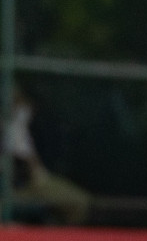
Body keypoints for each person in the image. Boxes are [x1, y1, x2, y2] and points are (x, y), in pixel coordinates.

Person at [5, 87, 90, 225]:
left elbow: (37, 175)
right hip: (7, 190)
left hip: (29, 185)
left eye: (20, 102)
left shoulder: (35, 125)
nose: (19, 106)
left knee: (78, 202)